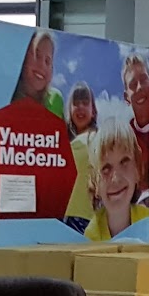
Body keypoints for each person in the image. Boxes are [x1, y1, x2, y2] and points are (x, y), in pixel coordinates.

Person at [85, 118, 149, 242]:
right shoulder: (92, 236)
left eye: (124, 162)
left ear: (137, 169)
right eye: (106, 168)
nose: (116, 179)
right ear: (95, 183)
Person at [63, 82, 98, 231]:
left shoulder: (97, 138)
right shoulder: (63, 142)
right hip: (62, 217)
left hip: (85, 218)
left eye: (85, 103)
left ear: (93, 111)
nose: (80, 107)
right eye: (76, 103)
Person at [122, 52, 149, 207]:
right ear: (126, 97)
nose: (140, 87)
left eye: (144, 80)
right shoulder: (123, 140)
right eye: (133, 84)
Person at [10, 29, 64, 118]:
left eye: (47, 61)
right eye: (37, 55)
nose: (42, 65)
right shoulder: (7, 94)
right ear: (24, 57)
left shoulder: (55, 99)